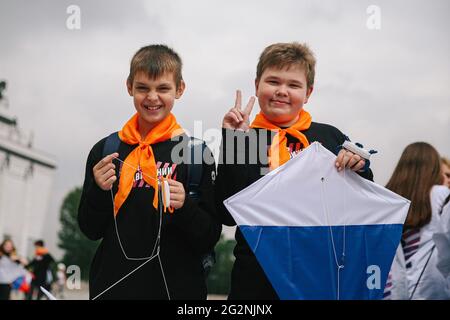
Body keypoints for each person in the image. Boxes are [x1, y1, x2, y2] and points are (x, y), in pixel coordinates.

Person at [215, 42, 374, 299]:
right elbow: (227, 213)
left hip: (318, 272)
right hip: (256, 276)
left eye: (293, 85)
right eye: (273, 81)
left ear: (308, 92)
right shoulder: (245, 138)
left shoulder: (329, 136)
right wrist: (234, 142)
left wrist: (360, 167)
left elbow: (361, 198)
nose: (281, 91)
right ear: (257, 85)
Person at [78, 44, 221, 300]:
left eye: (163, 88)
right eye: (143, 87)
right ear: (129, 86)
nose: (152, 97)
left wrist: (185, 206)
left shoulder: (196, 154)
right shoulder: (106, 149)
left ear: (180, 89)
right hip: (112, 288)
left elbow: (209, 236)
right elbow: (90, 229)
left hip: (176, 291)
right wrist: (99, 192)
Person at [383, 142, 450, 299]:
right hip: (432, 291)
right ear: (434, 168)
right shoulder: (441, 195)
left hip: (390, 290)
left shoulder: (386, 199)